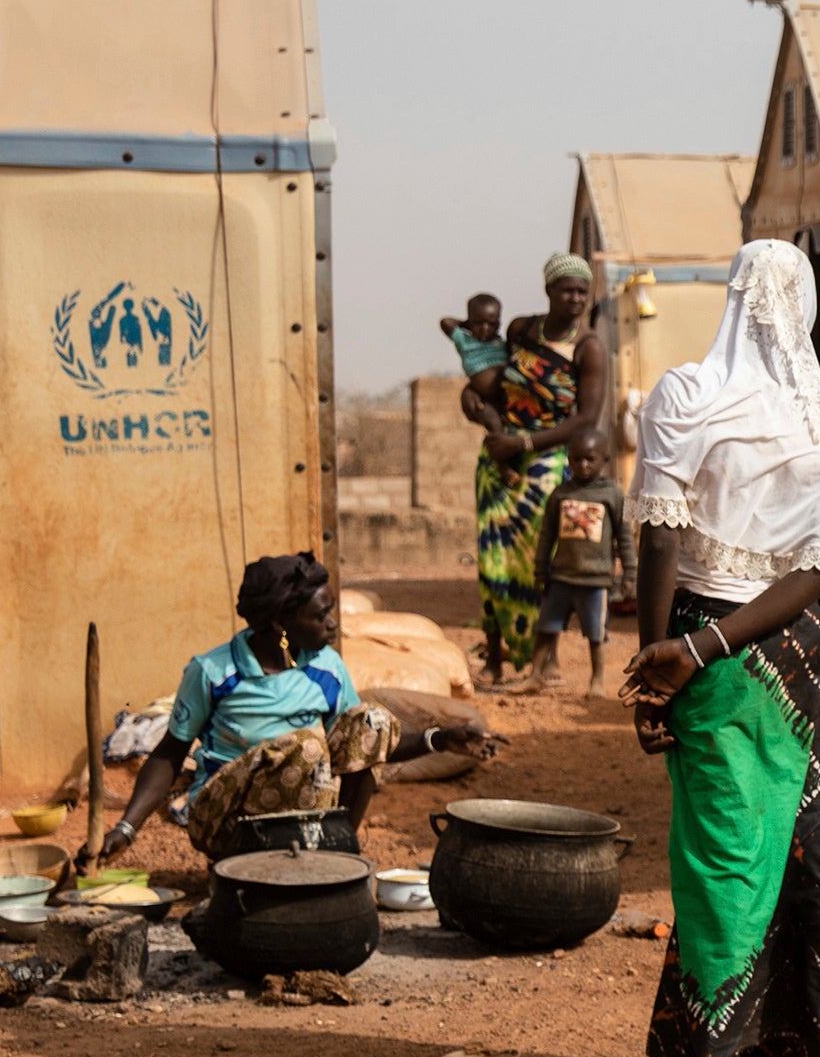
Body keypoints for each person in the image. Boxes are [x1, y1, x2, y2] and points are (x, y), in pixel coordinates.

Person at [597, 240, 820, 1057]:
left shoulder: (687, 395)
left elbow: (660, 538)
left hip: (713, 649)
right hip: (801, 658)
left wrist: (664, 658)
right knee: (801, 853)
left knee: (719, 862)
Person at [97, 553, 488, 864]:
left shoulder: (326, 667)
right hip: (224, 819)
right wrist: (127, 829)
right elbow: (169, 754)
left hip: (303, 816)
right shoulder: (214, 672)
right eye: (321, 615)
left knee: (372, 719)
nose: (334, 625)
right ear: (281, 623)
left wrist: (440, 739)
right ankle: (259, 864)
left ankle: (337, 851)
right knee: (305, 748)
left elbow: (364, 746)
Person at [473, 256, 602, 681]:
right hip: (499, 460)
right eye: (568, 290)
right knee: (493, 559)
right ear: (548, 290)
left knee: (538, 559)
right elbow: (490, 379)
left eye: (583, 291)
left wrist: (526, 442)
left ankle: (545, 654)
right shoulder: (520, 331)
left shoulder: (588, 347)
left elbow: (586, 418)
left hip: (547, 459)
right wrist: (481, 413)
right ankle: (494, 655)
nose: (577, 299)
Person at [525, 448, 626, 695]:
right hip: (561, 576)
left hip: (595, 580)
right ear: (569, 461)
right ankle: (534, 675)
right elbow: (547, 536)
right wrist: (540, 570)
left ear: (604, 459)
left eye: (590, 459)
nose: (583, 465)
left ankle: (597, 681)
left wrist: (629, 574)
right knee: (546, 627)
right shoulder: (560, 494)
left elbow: (623, 536)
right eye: (576, 459)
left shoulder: (611, 495)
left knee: (596, 633)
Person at [439, 293, 510, 421]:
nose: (484, 328)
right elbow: (445, 322)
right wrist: (467, 324)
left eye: (491, 324)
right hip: (483, 398)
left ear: (499, 324)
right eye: (478, 323)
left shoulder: (501, 343)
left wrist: (475, 322)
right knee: (495, 424)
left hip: (506, 395)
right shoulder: (465, 340)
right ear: (470, 321)